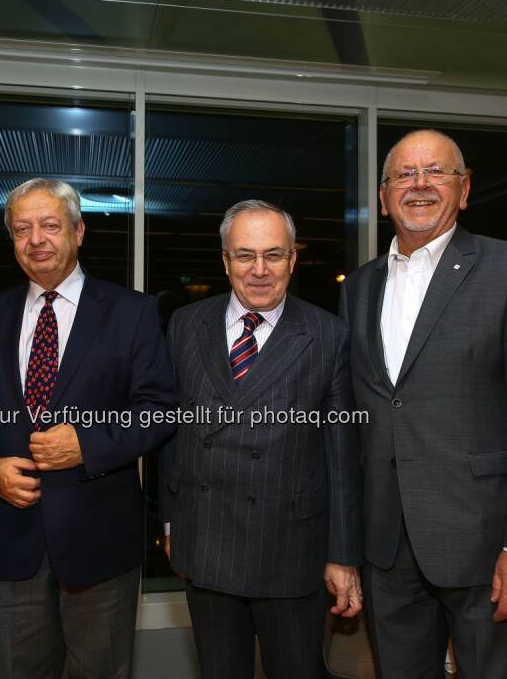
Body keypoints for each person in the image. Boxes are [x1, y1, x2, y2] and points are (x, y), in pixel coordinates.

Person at [339, 129, 507, 678]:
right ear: (383, 195)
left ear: (464, 191)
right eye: (404, 174)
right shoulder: (359, 286)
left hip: (486, 549)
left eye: (436, 171)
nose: (419, 184)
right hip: (387, 549)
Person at [0, 178, 178, 679]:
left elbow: (159, 410)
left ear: (79, 231)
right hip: (9, 542)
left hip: (100, 543)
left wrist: (86, 443)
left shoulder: (132, 312)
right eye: (22, 228)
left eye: (49, 225)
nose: (36, 239)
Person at [162, 199, 362, 679]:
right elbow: (173, 434)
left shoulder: (327, 334)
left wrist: (342, 554)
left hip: (292, 550)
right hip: (207, 541)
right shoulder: (186, 325)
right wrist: (172, 521)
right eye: (244, 255)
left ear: (294, 259)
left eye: (273, 255)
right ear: (225, 260)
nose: (259, 270)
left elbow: (342, 453)